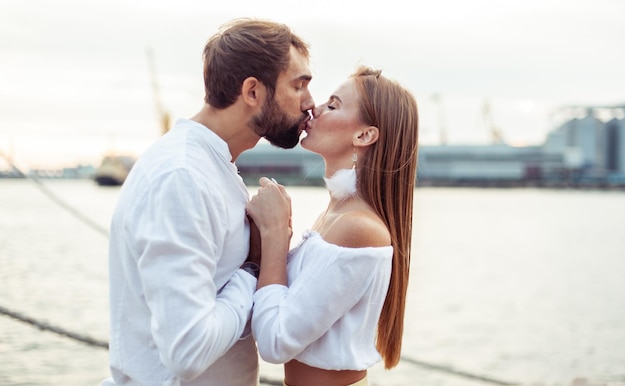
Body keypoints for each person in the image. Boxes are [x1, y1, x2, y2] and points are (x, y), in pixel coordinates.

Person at [102, 18, 314, 386]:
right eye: (299, 86)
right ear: (252, 91)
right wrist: (253, 267)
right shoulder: (182, 177)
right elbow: (188, 350)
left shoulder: (212, 167)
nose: (311, 103)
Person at [246, 66, 419, 386]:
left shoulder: (357, 228)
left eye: (334, 105)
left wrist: (274, 236)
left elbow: (275, 342)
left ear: (364, 135)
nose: (314, 108)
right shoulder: (335, 216)